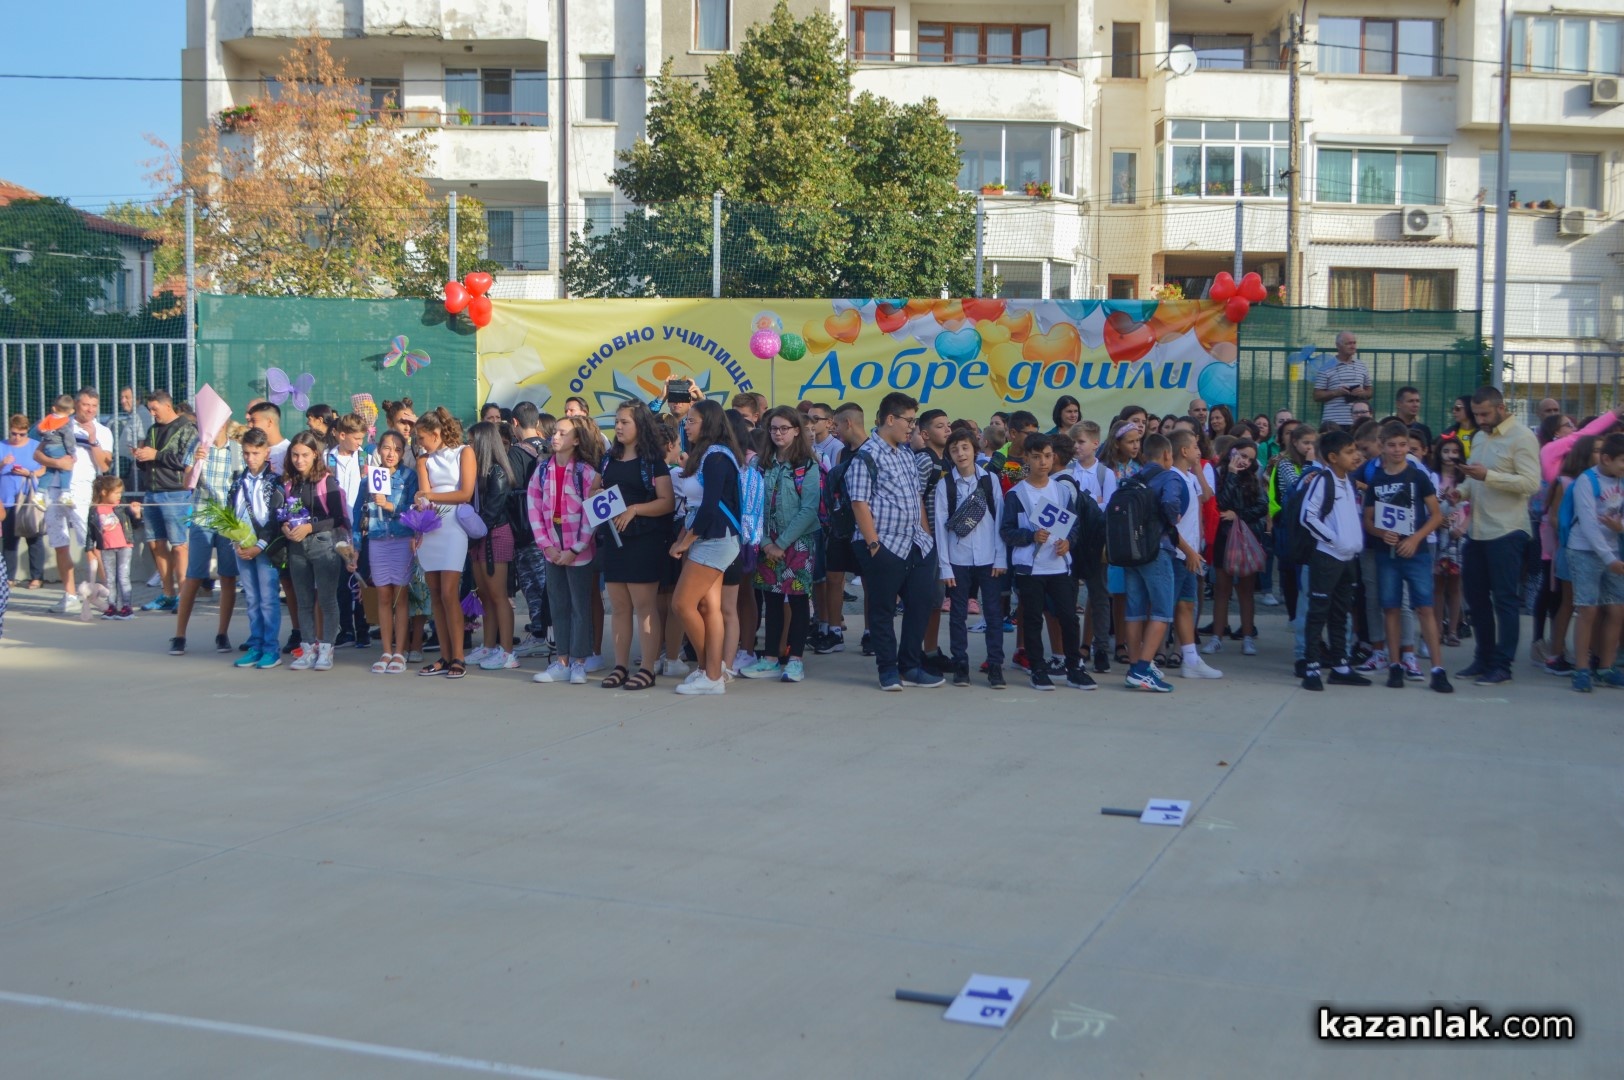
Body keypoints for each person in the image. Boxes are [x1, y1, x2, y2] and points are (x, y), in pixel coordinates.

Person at [847, 392, 943, 691]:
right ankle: (888, 670)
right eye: (909, 421)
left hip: (916, 543)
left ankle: (910, 666)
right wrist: (874, 545)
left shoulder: (906, 454)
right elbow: (859, 503)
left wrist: (926, 538)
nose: (912, 428)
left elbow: (916, 497)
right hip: (884, 545)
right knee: (882, 609)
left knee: (921, 604)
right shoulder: (866, 456)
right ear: (890, 419)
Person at [1455, 387, 1541, 685]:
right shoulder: (1480, 437)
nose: (1479, 420)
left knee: (1505, 600)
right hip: (1477, 531)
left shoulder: (1522, 437)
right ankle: (1483, 658)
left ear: (1501, 408)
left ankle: (1502, 665)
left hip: (1507, 530)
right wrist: (1459, 492)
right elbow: (1473, 480)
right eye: (1476, 414)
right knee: (1476, 598)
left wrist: (1489, 476)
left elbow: (1531, 484)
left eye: (1485, 414)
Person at [1363, 421, 1453, 693]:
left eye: (1403, 445)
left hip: (1417, 553)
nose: (1398, 450)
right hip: (1387, 554)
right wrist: (1382, 533)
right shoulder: (1377, 480)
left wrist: (1415, 538)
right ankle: (1395, 665)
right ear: (1382, 447)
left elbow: (1435, 515)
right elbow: (1368, 520)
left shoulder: (1418, 476)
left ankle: (1437, 669)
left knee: (1425, 607)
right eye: (1392, 445)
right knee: (1390, 607)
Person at [999, 433, 1092, 691]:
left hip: (1059, 566)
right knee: (1032, 619)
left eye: (1048, 456)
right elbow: (1006, 531)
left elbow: (1074, 525)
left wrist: (1068, 542)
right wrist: (1030, 536)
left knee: (1069, 618)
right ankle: (1038, 669)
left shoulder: (1061, 490)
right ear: (1027, 458)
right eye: (1037, 456)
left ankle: (1074, 668)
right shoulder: (1016, 494)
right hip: (1030, 569)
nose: (1043, 462)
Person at [597, 401, 675, 691]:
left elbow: (666, 502)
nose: (618, 427)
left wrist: (635, 510)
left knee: (644, 607)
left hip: (644, 540)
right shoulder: (608, 459)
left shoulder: (653, 461)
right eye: (617, 421)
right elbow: (594, 488)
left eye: (624, 422)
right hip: (614, 540)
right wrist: (597, 493)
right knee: (619, 607)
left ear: (640, 425)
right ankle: (620, 666)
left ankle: (647, 668)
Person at [667, 400, 743, 696]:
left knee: (681, 604)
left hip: (715, 539)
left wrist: (684, 541)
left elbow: (710, 507)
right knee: (707, 607)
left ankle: (711, 672)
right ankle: (710, 672)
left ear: (708, 423)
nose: (686, 425)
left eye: (692, 420)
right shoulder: (706, 455)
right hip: (707, 538)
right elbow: (695, 505)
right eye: (686, 420)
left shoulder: (717, 457)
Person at [742, 407, 822, 683]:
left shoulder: (808, 466)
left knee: (798, 599)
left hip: (799, 541)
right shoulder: (759, 464)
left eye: (784, 428)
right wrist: (766, 543)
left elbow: (809, 509)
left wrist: (783, 542)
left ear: (796, 431)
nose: (778, 433)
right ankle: (770, 658)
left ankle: (795, 659)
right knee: (771, 598)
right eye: (774, 428)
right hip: (767, 541)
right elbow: (751, 505)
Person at [529, 416, 603, 685]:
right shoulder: (542, 470)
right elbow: (533, 508)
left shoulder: (586, 472)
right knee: (558, 603)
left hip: (578, 546)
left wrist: (576, 548)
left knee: (580, 606)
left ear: (577, 440)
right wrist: (546, 546)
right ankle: (561, 661)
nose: (556, 437)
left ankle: (579, 662)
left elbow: (591, 515)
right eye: (555, 433)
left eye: (563, 433)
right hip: (552, 545)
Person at [1120, 434, 1194, 693]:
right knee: (1162, 611)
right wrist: (1173, 518)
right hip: (1157, 550)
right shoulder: (1169, 476)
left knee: (1134, 610)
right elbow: (1170, 503)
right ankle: (1142, 670)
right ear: (1166, 455)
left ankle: (1134, 666)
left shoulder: (1133, 478)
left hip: (1130, 552)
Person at [1298, 429, 1370, 691]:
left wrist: (1349, 545)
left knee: (1341, 612)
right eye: (1349, 452)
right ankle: (1312, 667)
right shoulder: (1323, 481)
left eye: (1355, 450)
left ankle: (1340, 665)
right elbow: (1308, 517)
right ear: (1332, 457)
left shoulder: (1348, 481)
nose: (1356, 456)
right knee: (1318, 612)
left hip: (1347, 559)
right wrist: (1334, 539)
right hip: (1328, 558)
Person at [935, 428, 1006, 688]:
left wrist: (1000, 557)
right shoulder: (946, 485)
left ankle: (995, 665)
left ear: (975, 450)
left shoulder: (989, 480)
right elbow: (940, 528)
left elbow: (1000, 519)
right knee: (957, 614)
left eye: (965, 447)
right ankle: (960, 664)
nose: (961, 454)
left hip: (989, 557)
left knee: (994, 613)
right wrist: (945, 566)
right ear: (949, 454)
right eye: (954, 449)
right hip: (958, 559)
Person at [36, 388, 112, 614]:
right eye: (86, 404)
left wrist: (93, 440)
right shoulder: (59, 423)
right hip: (54, 490)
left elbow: (105, 465)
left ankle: (108, 594)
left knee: (91, 544)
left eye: (94, 406)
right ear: (75, 405)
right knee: (59, 543)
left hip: (81, 490)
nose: (90, 410)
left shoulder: (103, 430)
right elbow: (37, 454)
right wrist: (56, 463)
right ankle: (69, 596)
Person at [413, 408, 476, 679]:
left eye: (421, 437)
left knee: (449, 592)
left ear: (436, 433)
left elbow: (465, 493)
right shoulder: (423, 460)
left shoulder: (465, 452)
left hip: (454, 528)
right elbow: (422, 496)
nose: (419, 443)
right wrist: (419, 519)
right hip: (431, 528)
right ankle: (445, 656)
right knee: (436, 593)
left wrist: (428, 496)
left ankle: (459, 656)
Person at [278, 432, 349, 672]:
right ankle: (307, 648)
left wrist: (310, 527)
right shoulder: (290, 483)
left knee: (327, 599)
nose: (299, 460)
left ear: (315, 455)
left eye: (305, 455)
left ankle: (327, 648)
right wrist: (285, 526)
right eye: (295, 455)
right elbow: (285, 513)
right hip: (296, 546)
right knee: (303, 601)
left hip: (323, 543)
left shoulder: (326, 481)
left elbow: (337, 518)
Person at [170, 420, 241, 657]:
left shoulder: (236, 450)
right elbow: (187, 483)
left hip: (228, 520)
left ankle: (222, 633)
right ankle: (179, 635)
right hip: (202, 517)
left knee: (228, 576)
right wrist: (196, 463)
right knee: (194, 576)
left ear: (224, 424)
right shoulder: (197, 446)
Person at [1563, 432, 1624, 691]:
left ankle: (1606, 667)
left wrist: (1620, 528)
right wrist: (1609, 558)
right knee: (1587, 609)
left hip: (1612, 552)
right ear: (1607, 459)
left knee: (1617, 609)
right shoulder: (1586, 481)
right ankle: (1582, 669)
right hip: (1584, 551)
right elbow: (1588, 524)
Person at [357, 430, 416, 674]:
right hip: (377, 539)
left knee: (400, 596)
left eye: (398, 449)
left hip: (402, 539)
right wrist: (354, 545)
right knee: (382, 595)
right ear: (378, 449)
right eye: (387, 448)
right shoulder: (368, 479)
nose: (392, 454)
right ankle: (385, 650)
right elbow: (357, 514)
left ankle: (400, 652)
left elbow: (412, 508)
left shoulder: (409, 476)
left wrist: (389, 505)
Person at [462, 420, 519, 672]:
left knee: (498, 596)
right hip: (479, 537)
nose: (468, 446)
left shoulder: (497, 473)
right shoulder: (476, 471)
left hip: (494, 535)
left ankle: (507, 652)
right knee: (484, 595)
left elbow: (491, 513)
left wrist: (470, 537)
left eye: (472, 442)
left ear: (484, 443)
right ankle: (488, 646)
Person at [226, 429, 284, 669]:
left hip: (265, 549)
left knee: (268, 599)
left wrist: (259, 545)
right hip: (242, 547)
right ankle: (256, 645)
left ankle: (271, 649)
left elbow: (276, 518)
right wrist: (236, 541)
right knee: (251, 599)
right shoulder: (237, 482)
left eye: (256, 453)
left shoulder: (275, 482)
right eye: (246, 453)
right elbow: (230, 512)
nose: (251, 458)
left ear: (266, 452)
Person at [1205, 439, 1267, 657]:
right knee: (1222, 589)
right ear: (1232, 452)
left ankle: (1248, 636)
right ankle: (1217, 637)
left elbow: (1262, 506)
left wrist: (1238, 515)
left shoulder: (1252, 478)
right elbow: (1220, 503)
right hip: (1224, 538)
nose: (1245, 461)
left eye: (1250, 459)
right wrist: (1231, 474)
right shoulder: (1218, 473)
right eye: (1242, 455)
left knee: (1246, 590)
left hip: (1246, 538)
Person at [814, 401, 867, 657]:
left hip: (865, 527)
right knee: (834, 577)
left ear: (848, 423)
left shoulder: (872, 450)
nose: (834, 430)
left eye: (836, 425)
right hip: (840, 526)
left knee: (869, 581)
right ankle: (834, 631)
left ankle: (871, 633)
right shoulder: (843, 452)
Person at [1065, 420, 1114, 672]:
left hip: (1095, 541)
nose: (1076, 446)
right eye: (1073, 442)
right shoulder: (1068, 471)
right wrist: (1094, 500)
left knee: (1099, 596)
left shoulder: (1105, 474)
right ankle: (1071, 648)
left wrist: (1088, 502)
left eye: (1081, 442)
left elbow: (1108, 506)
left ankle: (1101, 648)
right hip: (1072, 540)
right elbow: (1065, 503)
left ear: (1095, 443)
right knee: (1069, 595)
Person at [506, 403, 552, 660]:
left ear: (515, 423)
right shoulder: (550, 447)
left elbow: (510, 492)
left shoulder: (515, 453)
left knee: (533, 585)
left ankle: (539, 635)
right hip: (552, 529)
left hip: (526, 530)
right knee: (547, 584)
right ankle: (551, 634)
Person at [326, 413, 372, 648]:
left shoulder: (366, 458)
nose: (359, 443)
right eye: (356, 438)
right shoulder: (326, 458)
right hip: (335, 527)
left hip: (360, 527)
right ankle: (346, 630)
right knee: (340, 581)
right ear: (341, 435)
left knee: (360, 577)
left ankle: (363, 629)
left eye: (362, 438)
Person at [1430, 435, 1470, 647]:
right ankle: (1437, 629)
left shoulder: (1465, 480)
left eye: (1455, 452)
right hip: (1437, 535)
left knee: (1455, 585)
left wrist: (1463, 528)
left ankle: (1453, 630)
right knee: (1437, 584)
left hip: (1458, 536)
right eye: (1446, 451)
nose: (1450, 456)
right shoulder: (1432, 477)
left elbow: (1474, 507)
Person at [2, 414, 47, 589]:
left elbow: (45, 469)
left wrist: (29, 473)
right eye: (14, 434)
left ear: (27, 431)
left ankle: (37, 577)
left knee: (34, 538)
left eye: (22, 434)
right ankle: (9, 577)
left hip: (29, 500)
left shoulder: (36, 446)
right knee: (9, 541)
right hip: (7, 500)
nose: (17, 437)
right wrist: (2, 463)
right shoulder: (2, 446)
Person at [86, 474, 139, 618]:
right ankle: (111, 606)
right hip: (106, 548)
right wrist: (89, 549)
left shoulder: (122, 507)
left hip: (124, 546)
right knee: (109, 579)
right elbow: (90, 532)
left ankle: (127, 607)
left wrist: (136, 514)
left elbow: (135, 525)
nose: (119, 496)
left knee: (123, 577)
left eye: (120, 493)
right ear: (104, 492)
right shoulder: (94, 510)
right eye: (116, 493)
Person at [1313, 331, 1372, 428]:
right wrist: (1335, 392)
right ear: (1338, 345)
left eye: (1354, 343)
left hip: (1358, 422)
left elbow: (1370, 392)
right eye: (1348, 343)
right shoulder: (1326, 367)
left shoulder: (1362, 366)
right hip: (1333, 422)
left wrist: (1363, 393)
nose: (1353, 346)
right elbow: (1316, 395)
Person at [808, 403, 842, 470]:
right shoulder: (807, 444)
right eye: (808, 419)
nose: (810, 423)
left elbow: (833, 473)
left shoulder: (837, 447)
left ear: (829, 423)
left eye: (816, 418)